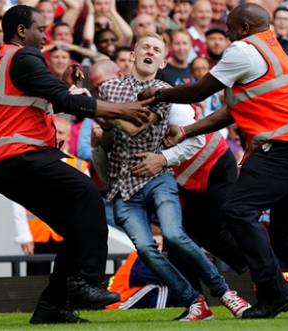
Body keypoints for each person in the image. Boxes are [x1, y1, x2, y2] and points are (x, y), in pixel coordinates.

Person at [139, 3, 288, 319]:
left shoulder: (242, 50)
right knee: (285, 235)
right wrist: (187, 130)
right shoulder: (273, 51)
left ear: (243, 28)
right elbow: (232, 112)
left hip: (286, 148)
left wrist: (158, 95)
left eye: (228, 25)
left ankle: (275, 293)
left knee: (237, 211)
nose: (225, 31)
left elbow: (200, 90)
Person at [0, 5, 152, 324]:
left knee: (77, 223)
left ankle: (52, 306)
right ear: (21, 31)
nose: (47, 35)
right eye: (41, 29)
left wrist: (62, 83)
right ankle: (84, 282)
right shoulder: (25, 58)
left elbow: (52, 96)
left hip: (2, 162)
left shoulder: (5, 58)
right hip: (16, 156)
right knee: (86, 194)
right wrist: (123, 110)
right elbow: (68, 103)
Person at [90, 34, 250, 321]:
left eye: (155, 50)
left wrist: (95, 110)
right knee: (157, 250)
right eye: (96, 88)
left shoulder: (165, 94)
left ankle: (244, 285)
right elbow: (106, 171)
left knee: (190, 235)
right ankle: (195, 303)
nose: (101, 91)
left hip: (206, 166)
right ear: (132, 56)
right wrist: (99, 144)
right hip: (137, 187)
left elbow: (140, 129)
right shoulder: (108, 99)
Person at [12, 114, 90, 276]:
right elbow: (18, 200)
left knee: (66, 285)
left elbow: (87, 206)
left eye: (61, 132)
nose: (56, 136)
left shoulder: (79, 166)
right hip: (38, 237)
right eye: (53, 131)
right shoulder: (31, 164)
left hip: (69, 237)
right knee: (36, 285)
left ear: (69, 136)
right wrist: (24, 235)